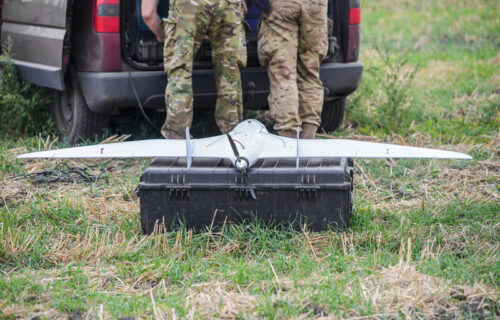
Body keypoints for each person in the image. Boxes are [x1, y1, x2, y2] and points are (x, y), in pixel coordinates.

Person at [142, 0, 247, 138]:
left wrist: (163, 35)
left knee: (181, 72)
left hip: (188, 6)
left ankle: (178, 139)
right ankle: (235, 137)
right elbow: (243, 8)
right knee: (229, 72)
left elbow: (147, 13)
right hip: (228, 4)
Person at [257, 0, 328, 139]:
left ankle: (289, 138)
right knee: (310, 71)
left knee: (284, 73)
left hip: (283, 5)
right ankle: (308, 137)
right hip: (316, 5)